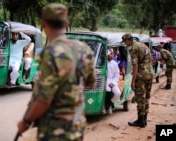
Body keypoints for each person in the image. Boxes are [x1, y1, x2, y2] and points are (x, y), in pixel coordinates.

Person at [16, 3, 95, 141]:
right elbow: (90, 83)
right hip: (77, 125)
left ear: (42, 24)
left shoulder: (49, 54)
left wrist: (26, 122)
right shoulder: (84, 49)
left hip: (55, 131)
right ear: (66, 23)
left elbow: (42, 101)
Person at [122, 33, 154, 128]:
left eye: (125, 41)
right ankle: (144, 119)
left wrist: (133, 81)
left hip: (141, 75)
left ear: (128, 40)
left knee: (140, 98)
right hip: (150, 73)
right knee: (146, 97)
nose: (125, 43)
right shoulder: (142, 44)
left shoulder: (133, 48)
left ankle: (140, 120)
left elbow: (135, 65)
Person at [105, 49, 121, 114]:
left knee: (118, 93)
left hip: (113, 81)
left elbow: (117, 74)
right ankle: (106, 107)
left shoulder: (115, 63)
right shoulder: (104, 63)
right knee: (107, 90)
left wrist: (113, 83)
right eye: (110, 54)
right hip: (106, 81)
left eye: (112, 54)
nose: (112, 55)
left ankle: (109, 105)